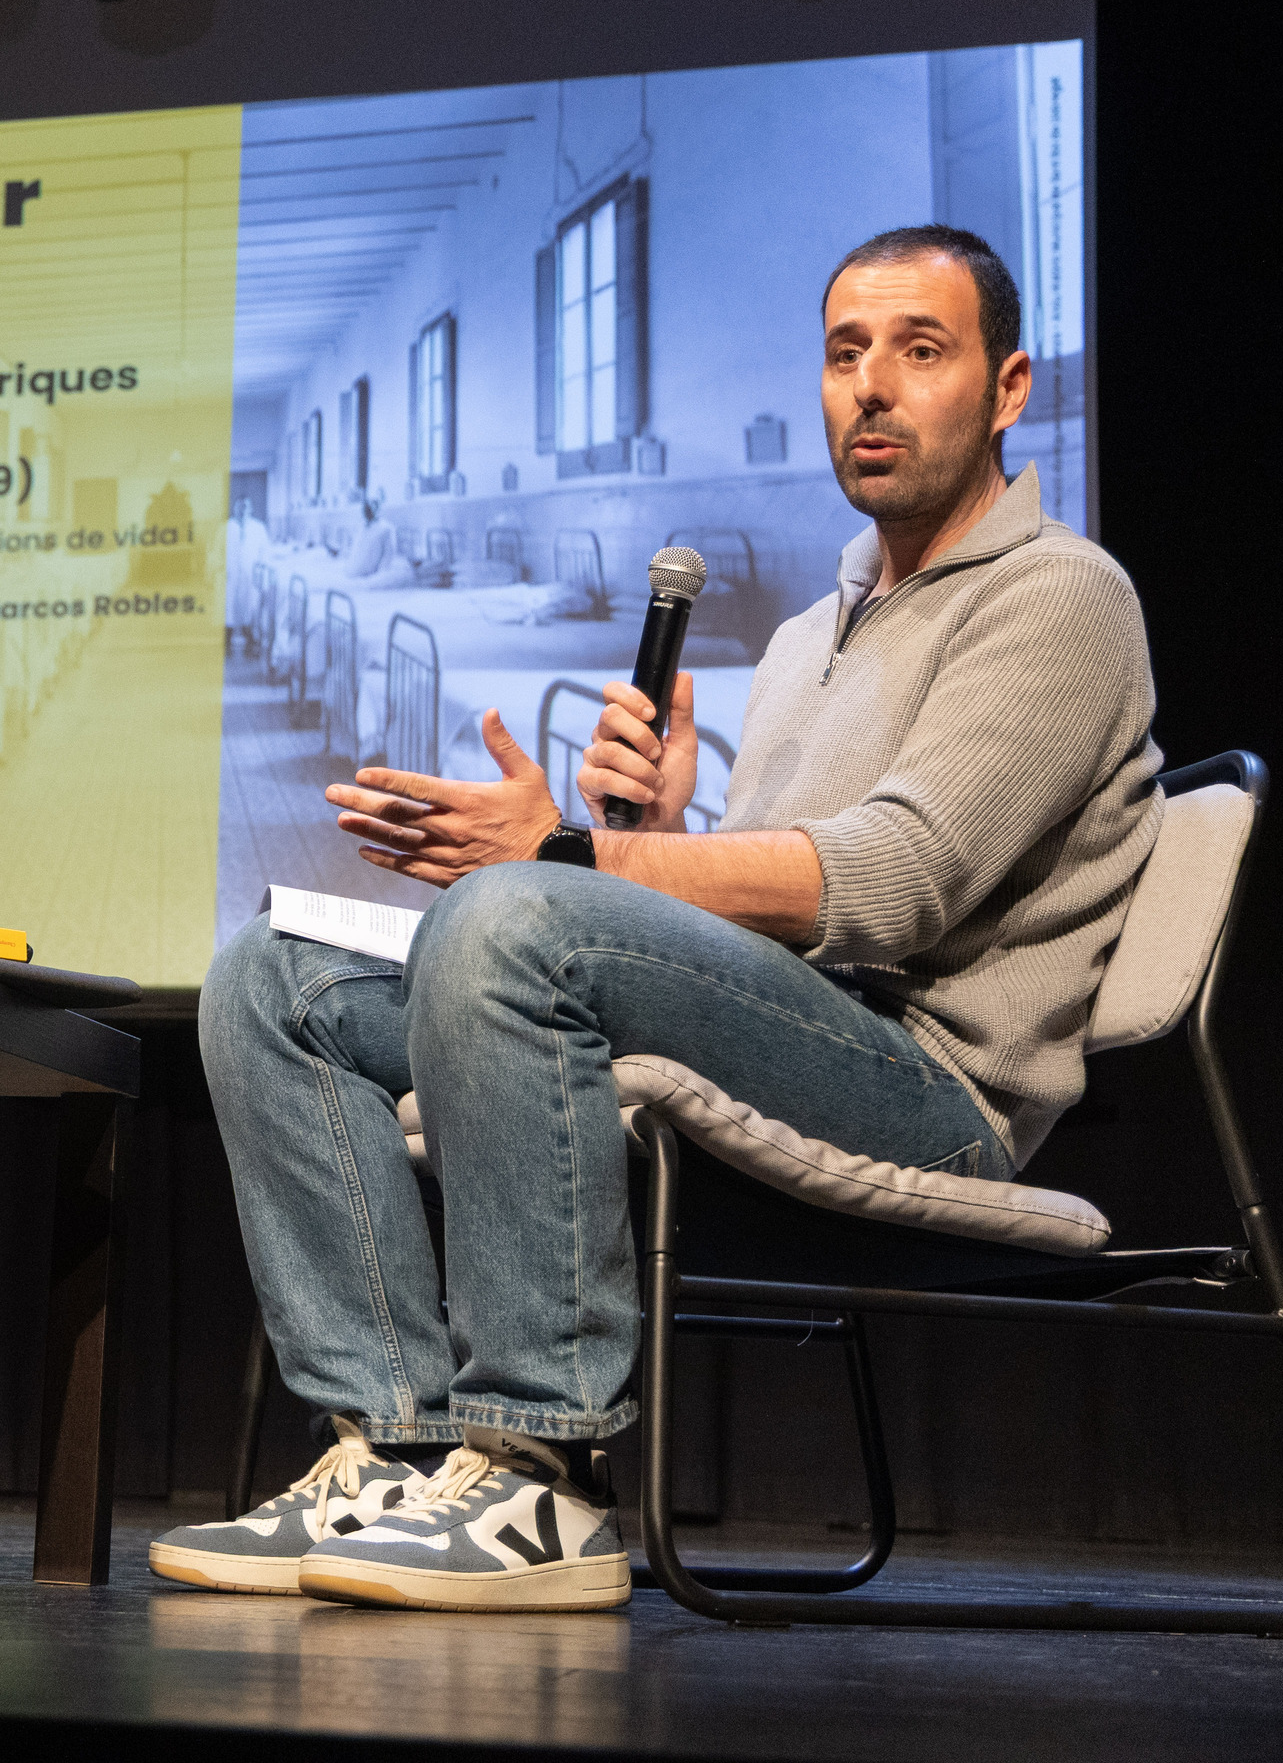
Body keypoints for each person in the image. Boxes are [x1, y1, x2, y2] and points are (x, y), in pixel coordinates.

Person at [154, 226, 1159, 1612]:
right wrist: (654, 831)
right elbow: (755, 935)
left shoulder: (1064, 596)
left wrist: (569, 856)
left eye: (920, 351)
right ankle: (392, 1446)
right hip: (812, 1034)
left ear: (1007, 389)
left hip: (934, 1094)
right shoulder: (818, 632)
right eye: (844, 353)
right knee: (273, 979)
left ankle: (544, 1476)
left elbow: (889, 887)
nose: (871, 386)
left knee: (509, 919)